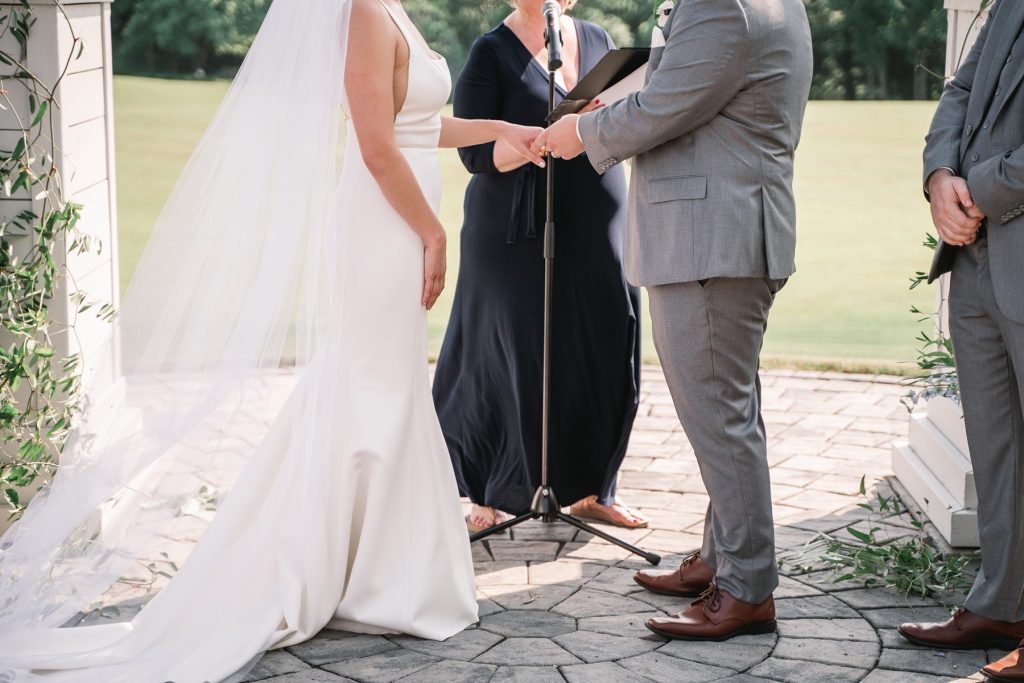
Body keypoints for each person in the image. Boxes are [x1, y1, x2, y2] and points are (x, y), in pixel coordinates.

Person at [0, 0, 543, 680]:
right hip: (383, 224)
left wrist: (500, 129)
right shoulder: (365, 15)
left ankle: (377, 569)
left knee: (386, 384)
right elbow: (376, 147)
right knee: (371, 383)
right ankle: (363, 574)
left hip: (400, 215)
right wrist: (431, 231)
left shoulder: (396, 12)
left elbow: (418, 124)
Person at [535, 0, 812, 642]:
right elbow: (682, 90)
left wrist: (581, 133)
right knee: (727, 411)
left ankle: (746, 590)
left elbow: (667, 106)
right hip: (721, 231)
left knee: (720, 417)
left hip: (710, 236)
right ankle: (722, 559)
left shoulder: (722, 6)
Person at [432, 0, 645, 532]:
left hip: (597, 224)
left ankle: (592, 489)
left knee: (601, 343)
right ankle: (490, 492)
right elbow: (476, 155)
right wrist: (528, 146)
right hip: (513, 232)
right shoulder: (489, 51)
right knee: (508, 354)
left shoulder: (596, 37)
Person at [899, 1, 1024, 678]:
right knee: (996, 443)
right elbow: (963, 88)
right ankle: (1001, 602)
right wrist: (938, 176)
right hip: (975, 259)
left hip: (1003, 227)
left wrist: (975, 188)